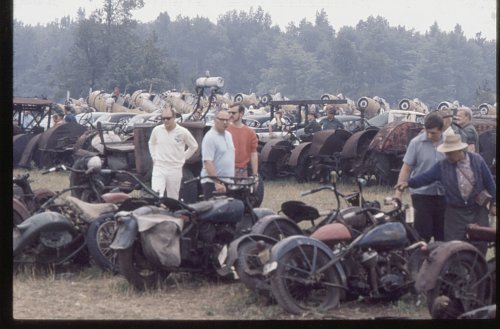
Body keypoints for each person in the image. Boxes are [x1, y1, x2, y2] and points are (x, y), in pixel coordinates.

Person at [394, 134, 496, 254]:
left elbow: (490, 183)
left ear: (459, 151)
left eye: (449, 152)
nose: (446, 155)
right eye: (446, 152)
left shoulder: (477, 160)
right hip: (455, 213)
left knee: (480, 244)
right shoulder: (442, 166)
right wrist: (408, 183)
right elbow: (426, 177)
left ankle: (478, 270)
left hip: (477, 210)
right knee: (453, 246)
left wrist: (495, 203)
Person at [393, 112, 446, 242]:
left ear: (441, 129)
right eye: (427, 132)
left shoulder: (450, 143)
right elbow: (406, 169)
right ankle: (421, 261)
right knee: (423, 235)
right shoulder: (416, 143)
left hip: (444, 195)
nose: (429, 135)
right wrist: (398, 193)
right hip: (421, 195)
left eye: (433, 133)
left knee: (443, 235)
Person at [148, 106, 198, 199]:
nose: (166, 120)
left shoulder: (183, 132)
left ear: (174, 118)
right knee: (156, 194)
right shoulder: (157, 130)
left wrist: (183, 157)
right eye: (163, 118)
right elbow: (151, 143)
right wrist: (154, 156)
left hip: (175, 168)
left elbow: (194, 146)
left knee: (173, 197)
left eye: (168, 118)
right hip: (159, 166)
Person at [200, 109, 235, 200]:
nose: (225, 122)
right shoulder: (210, 137)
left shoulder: (228, 135)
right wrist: (217, 182)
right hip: (213, 183)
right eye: (222, 119)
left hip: (228, 182)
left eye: (227, 120)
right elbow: (208, 162)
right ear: (215, 120)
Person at [227, 104, 259, 178]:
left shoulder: (250, 132)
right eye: (229, 112)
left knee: (242, 189)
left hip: (242, 171)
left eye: (233, 113)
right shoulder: (225, 130)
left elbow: (253, 153)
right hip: (225, 170)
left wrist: (255, 174)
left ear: (241, 114)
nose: (231, 115)